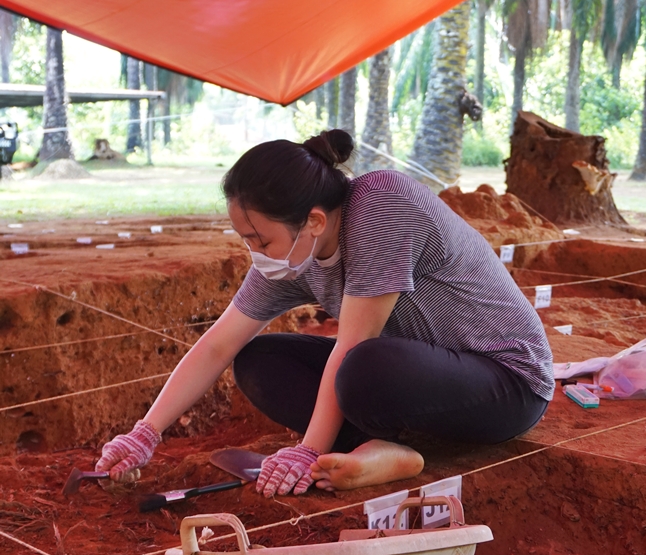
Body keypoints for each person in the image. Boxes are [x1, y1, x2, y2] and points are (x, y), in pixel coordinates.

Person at [95, 129, 554, 498]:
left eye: (260, 239)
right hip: (418, 377)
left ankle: (382, 448)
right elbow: (219, 343)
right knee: (259, 361)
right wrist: (146, 432)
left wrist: (307, 449)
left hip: (506, 383)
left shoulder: (382, 205)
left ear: (313, 221)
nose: (253, 252)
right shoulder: (295, 253)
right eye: (245, 239)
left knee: (365, 366)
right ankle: (380, 449)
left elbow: (354, 345)